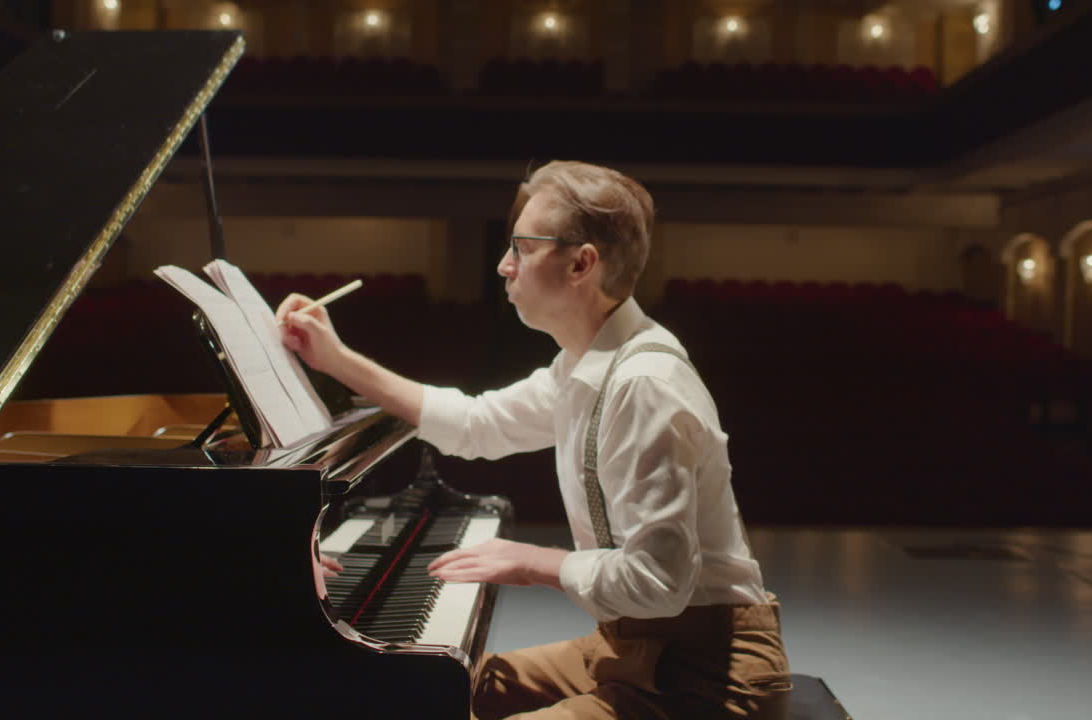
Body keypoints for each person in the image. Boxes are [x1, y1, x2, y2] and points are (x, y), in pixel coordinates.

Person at [277, 161, 791, 719]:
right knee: (418, 696)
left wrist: (533, 563)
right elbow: (476, 425)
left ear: (581, 263)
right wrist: (333, 358)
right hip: (633, 647)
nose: (503, 266)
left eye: (521, 248)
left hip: (711, 671)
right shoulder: (581, 366)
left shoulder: (645, 386)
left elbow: (659, 581)